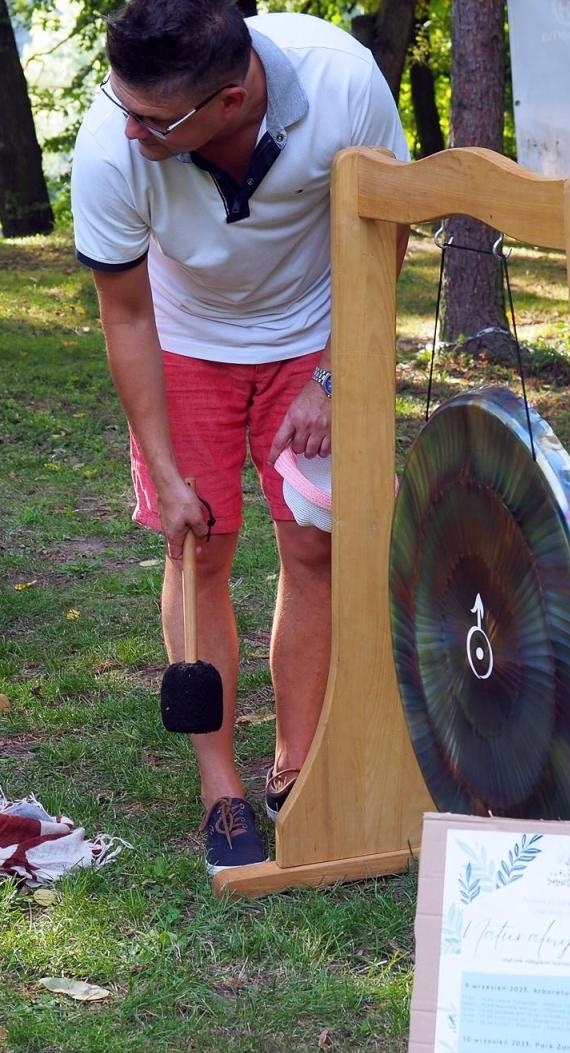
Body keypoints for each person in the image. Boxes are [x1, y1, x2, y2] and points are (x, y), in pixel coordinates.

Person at [70, 0, 410, 875]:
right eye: (122, 104)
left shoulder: (342, 82)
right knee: (201, 551)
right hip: (184, 342)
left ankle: (299, 764)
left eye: (153, 120)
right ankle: (219, 784)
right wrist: (163, 466)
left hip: (314, 336)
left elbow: (387, 237)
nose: (129, 129)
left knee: (316, 546)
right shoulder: (112, 143)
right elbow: (126, 314)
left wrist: (335, 374)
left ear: (229, 100)